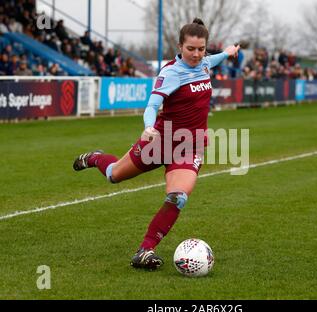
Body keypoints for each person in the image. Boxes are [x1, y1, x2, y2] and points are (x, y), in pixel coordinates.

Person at [72, 18, 240, 270]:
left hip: (189, 146)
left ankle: (145, 250)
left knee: (177, 197)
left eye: (201, 49)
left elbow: (214, 59)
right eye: (190, 49)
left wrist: (227, 52)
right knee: (114, 175)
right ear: (180, 46)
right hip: (160, 140)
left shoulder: (204, 62)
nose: (196, 54)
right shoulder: (171, 72)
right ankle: (95, 158)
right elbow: (152, 105)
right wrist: (149, 127)